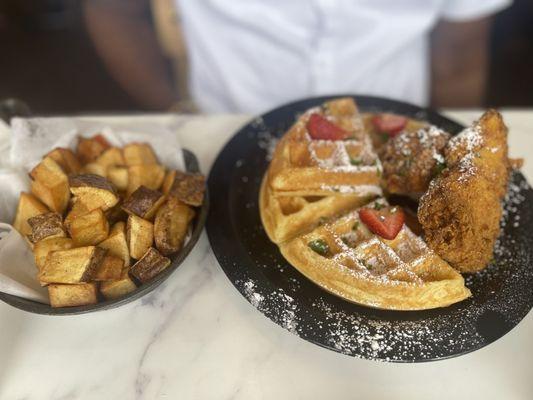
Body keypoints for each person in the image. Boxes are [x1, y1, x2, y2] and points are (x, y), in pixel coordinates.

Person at [84, 0, 511, 113]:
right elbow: (113, 10)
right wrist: (173, 110)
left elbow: (460, 50)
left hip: (394, 130)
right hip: (224, 125)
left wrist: (449, 144)